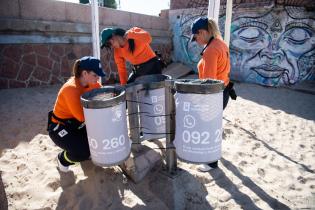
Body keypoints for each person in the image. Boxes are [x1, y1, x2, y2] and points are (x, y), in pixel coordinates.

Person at [190, 17, 237, 172]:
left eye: (195, 37)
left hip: (214, 94)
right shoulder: (221, 44)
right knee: (214, 125)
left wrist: (199, 99)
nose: (195, 40)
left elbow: (209, 82)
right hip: (223, 91)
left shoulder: (210, 50)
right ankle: (213, 155)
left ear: (202, 32)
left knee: (208, 127)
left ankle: (211, 162)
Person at [47, 56, 105, 172]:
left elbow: (104, 97)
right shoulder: (71, 89)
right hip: (60, 128)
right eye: (95, 75)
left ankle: (82, 149)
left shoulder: (94, 84)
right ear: (84, 73)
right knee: (83, 153)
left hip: (78, 125)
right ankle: (62, 158)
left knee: (97, 141)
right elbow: (83, 118)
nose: (98, 78)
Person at [100, 27, 165, 85]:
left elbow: (148, 38)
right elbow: (121, 70)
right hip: (138, 70)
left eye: (108, 43)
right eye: (107, 46)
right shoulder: (117, 51)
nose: (110, 46)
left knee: (152, 91)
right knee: (129, 89)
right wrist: (124, 86)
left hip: (152, 66)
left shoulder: (133, 32)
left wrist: (131, 34)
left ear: (114, 36)